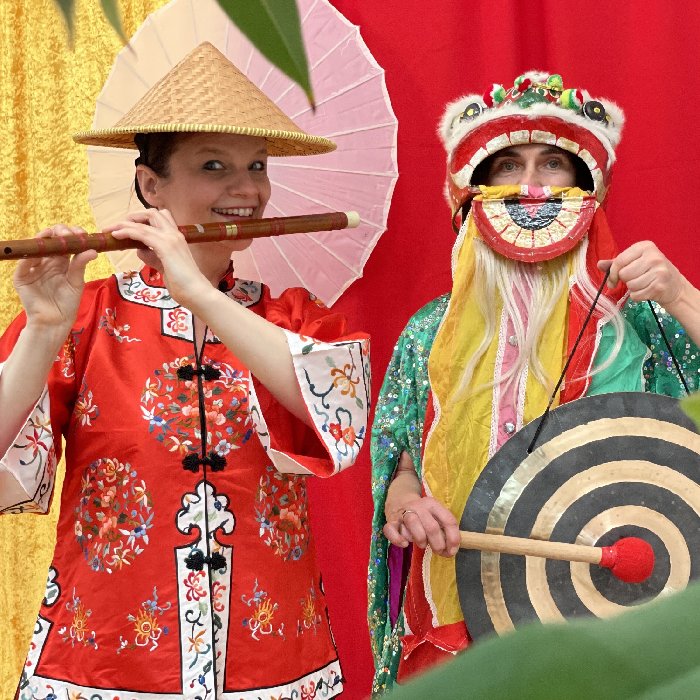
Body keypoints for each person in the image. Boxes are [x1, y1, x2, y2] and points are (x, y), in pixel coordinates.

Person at [0, 42, 370, 699]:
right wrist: (43, 332)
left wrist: (198, 293)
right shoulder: (84, 315)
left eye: (257, 166)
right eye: (213, 165)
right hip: (107, 664)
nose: (248, 189)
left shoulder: (293, 320)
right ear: (150, 186)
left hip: (273, 663)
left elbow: (341, 422)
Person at [368, 71, 700, 694]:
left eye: (553, 163)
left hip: (616, 616)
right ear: (473, 190)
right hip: (464, 612)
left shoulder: (638, 320)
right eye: (507, 166)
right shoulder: (429, 333)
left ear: (586, 187)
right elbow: (403, 469)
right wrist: (407, 507)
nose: (530, 186)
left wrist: (681, 295)